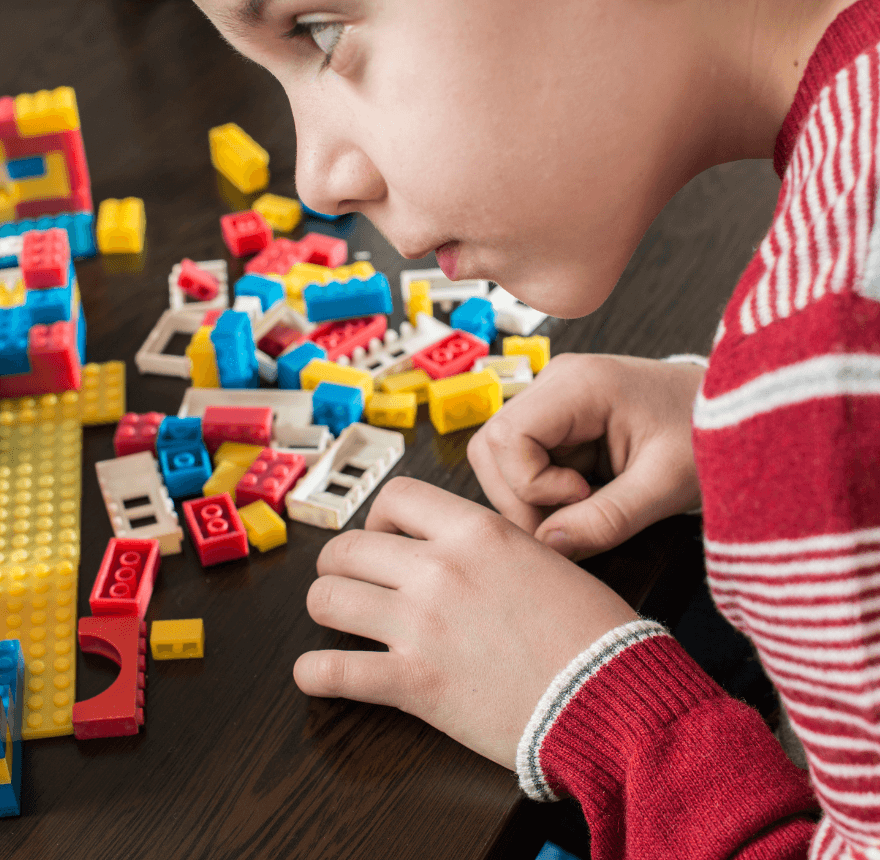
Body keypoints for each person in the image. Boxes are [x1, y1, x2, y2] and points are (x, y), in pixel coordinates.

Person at [194, 0, 880, 856]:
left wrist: (621, 725)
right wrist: (747, 424)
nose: (317, 181)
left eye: (321, 31)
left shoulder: (829, 377)